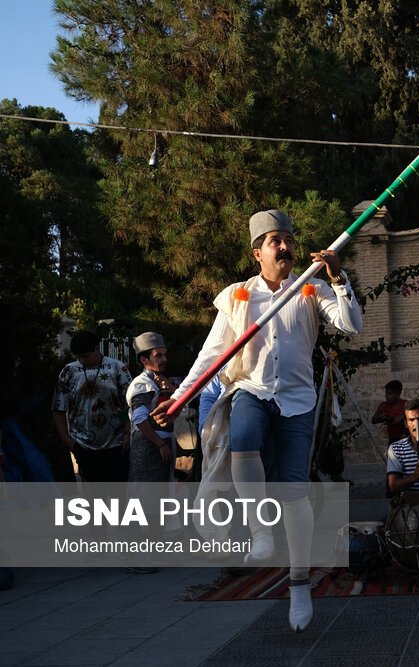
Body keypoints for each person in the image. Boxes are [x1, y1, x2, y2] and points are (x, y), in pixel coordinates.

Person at [153, 209, 362, 632]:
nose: (285, 246)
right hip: (253, 390)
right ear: (257, 253)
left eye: (288, 238)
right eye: (275, 241)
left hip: (299, 401)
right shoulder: (237, 296)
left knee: (294, 494)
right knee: (243, 443)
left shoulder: (310, 287)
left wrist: (339, 280)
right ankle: (260, 530)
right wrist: (178, 396)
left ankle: (300, 585)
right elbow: (211, 356)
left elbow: (351, 325)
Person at [52, 330, 132, 483]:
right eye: (78, 356)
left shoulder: (117, 368)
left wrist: (127, 432)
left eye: (86, 356)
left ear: (97, 348)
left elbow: (126, 402)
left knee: (118, 493)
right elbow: (58, 407)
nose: (82, 360)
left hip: (116, 444)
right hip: (82, 445)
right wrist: (66, 440)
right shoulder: (68, 371)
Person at [126, 332, 176, 483]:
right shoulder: (142, 384)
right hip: (148, 448)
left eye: (164, 355)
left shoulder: (160, 381)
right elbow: (139, 418)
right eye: (158, 356)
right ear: (144, 360)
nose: (164, 359)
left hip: (160, 447)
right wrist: (160, 444)